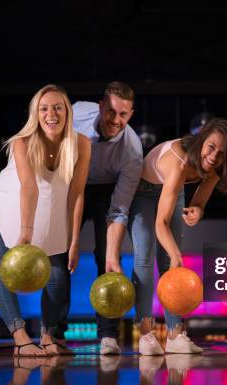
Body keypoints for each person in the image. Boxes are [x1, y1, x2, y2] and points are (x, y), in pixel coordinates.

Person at [0, 84, 91, 356]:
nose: (50, 114)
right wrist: (25, 233)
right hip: (8, 206)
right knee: (7, 270)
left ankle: (47, 336)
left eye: (57, 107)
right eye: (44, 108)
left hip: (47, 210)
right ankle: (20, 337)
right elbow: (28, 187)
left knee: (57, 277)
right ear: (36, 113)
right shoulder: (23, 142)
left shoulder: (81, 144)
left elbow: (77, 194)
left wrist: (75, 240)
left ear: (67, 112)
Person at [129, 118, 227, 355]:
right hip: (143, 190)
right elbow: (160, 223)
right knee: (145, 258)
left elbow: (200, 200)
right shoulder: (179, 162)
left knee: (170, 266)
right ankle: (145, 334)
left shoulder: (217, 167)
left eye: (222, 153)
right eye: (211, 147)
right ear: (202, 140)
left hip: (175, 188)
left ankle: (175, 334)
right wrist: (176, 254)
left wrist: (197, 210)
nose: (214, 156)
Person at [72, 81, 143, 355]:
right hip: (73, 184)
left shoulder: (133, 151)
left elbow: (119, 209)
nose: (116, 120)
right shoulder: (77, 114)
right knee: (63, 252)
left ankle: (108, 335)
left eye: (123, 115)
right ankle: (51, 332)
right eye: (111, 112)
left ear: (131, 114)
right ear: (101, 106)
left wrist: (113, 254)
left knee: (107, 259)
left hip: (107, 191)